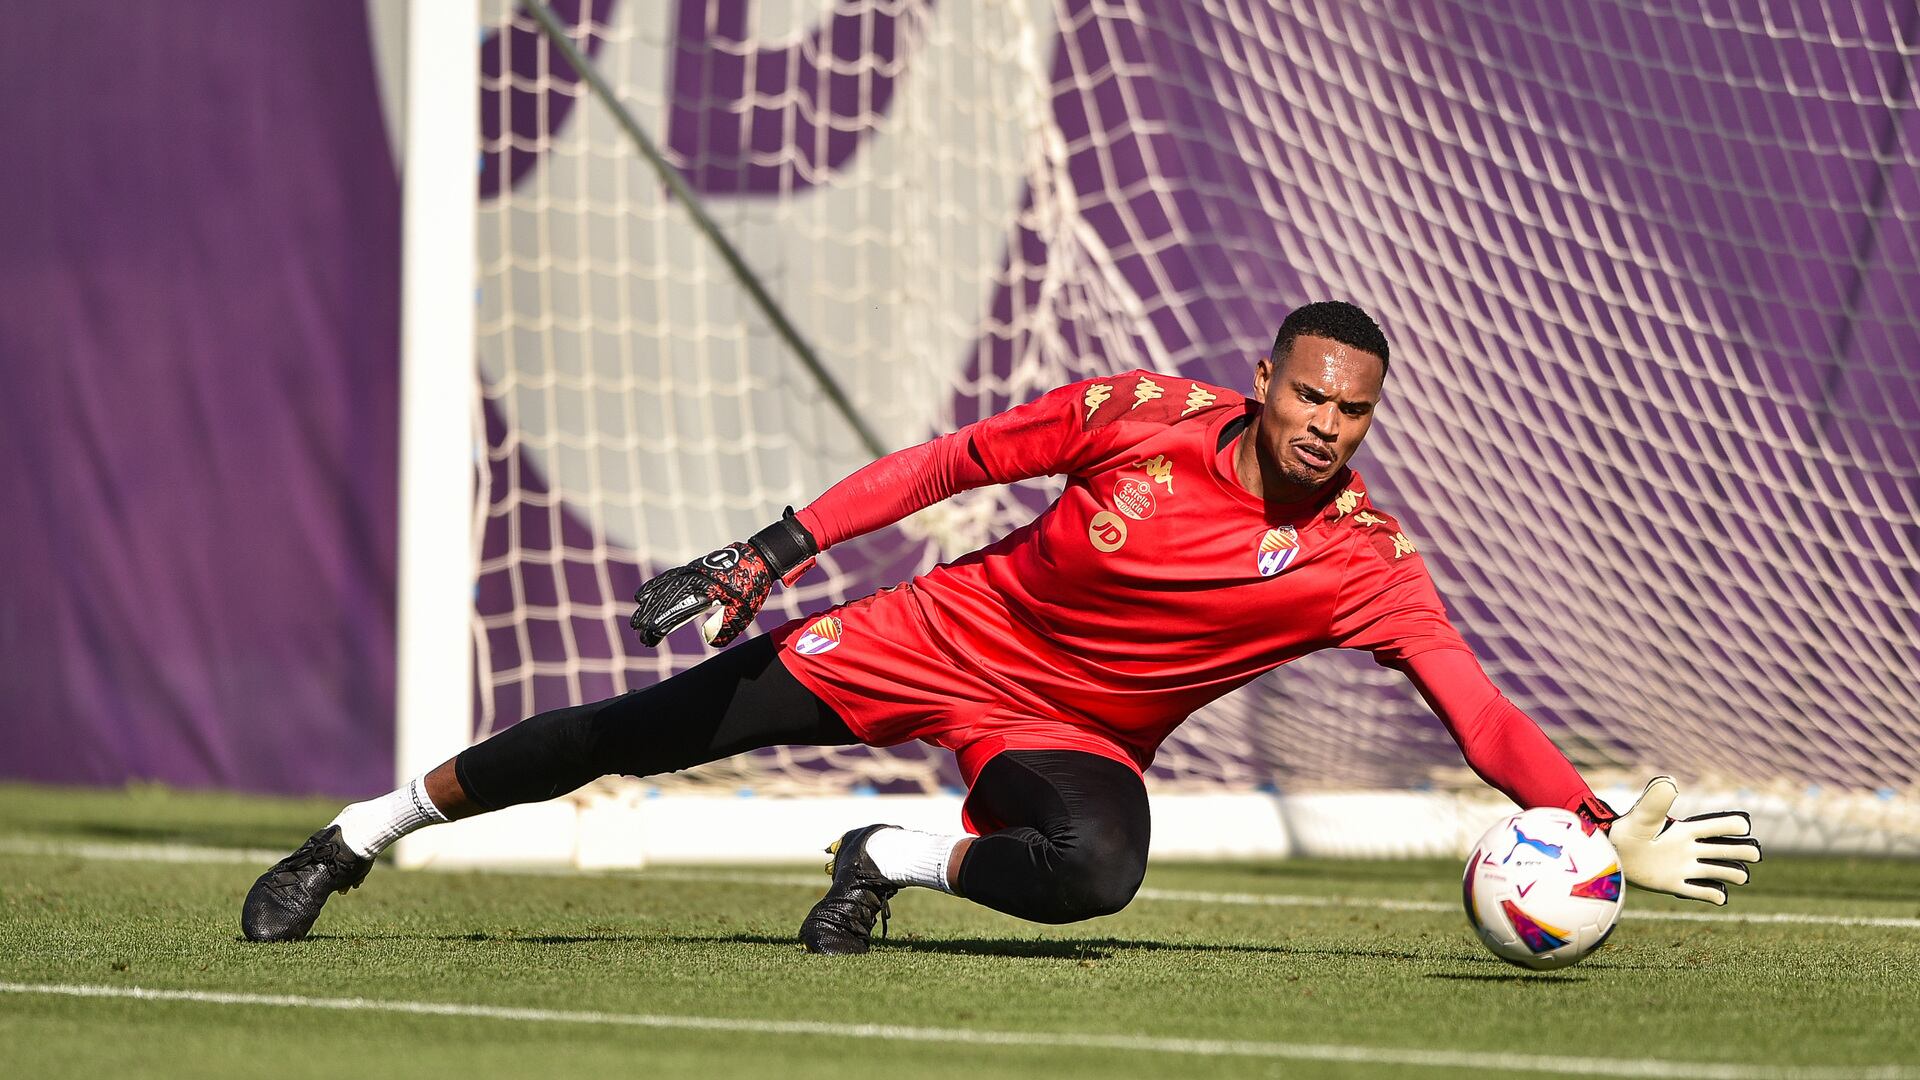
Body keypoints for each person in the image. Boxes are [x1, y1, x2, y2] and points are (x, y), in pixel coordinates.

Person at [242, 301, 1761, 951]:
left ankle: (892, 858)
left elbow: (1477, 711)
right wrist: (774, 550)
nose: (1326, 427)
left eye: (1353, 412)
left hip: (1071, 739)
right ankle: (353, 838)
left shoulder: (1363, 560)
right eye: (1309, 395)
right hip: (934, 640)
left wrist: (1592, 821)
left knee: (1099, 872)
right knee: (638, 736)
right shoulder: (1138, 421)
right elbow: (953, 462)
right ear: (1267, 380)